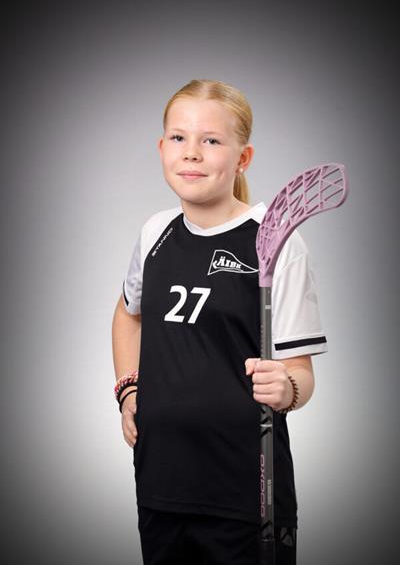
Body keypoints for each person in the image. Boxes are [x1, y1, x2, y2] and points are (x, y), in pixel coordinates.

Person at [111, 79, 328, 565]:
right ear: (161, 148)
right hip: (160, 482)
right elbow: (127, 314)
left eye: (210, 140)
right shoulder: (155, 232)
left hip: (247, 492)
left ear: (242, 158)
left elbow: (301, 376)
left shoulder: (276, 241)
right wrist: (128, 389)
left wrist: (287, 389)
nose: (191, 152)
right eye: (178, 137)